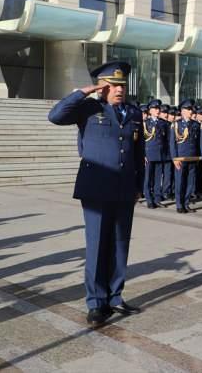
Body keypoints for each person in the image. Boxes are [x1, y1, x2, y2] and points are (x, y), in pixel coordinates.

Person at [48, 61, 144, 325]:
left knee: (120, 244)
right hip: (96, 188)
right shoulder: (89, 108)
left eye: (122, 85)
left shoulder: (134, 113)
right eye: (113, 85)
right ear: (102, 87)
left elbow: (139, 153)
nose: (119, 89)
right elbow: (55, 116)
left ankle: (115, 296)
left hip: (124, 188)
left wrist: (139, 186)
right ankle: (96, 302)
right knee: (97, 245)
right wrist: (83, 92)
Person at [170, 99, 201, 214]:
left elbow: (198, 143)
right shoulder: (176, 125)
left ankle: (186, 203)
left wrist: (198, 157)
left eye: (191, 109)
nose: (190, 111)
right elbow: (172, 143)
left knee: (190, 182)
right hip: (180, 157)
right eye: (188, 109)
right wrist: (174, 158)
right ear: (182, 111)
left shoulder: (196, 124)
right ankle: (179, 204)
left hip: (192, 157)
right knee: (180, 182)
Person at [143, 99, 169, 209]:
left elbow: (166, 140)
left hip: (160, 153)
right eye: (155, 109)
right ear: (150, 110)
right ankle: (149, 199)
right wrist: (142, 154)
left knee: (158, 178)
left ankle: (157, 199)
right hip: (149, 154)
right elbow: (141, 141)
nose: (158, 110)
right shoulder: (145, 123)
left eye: (158, 108)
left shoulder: (163, 123)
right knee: (148, 178)